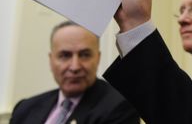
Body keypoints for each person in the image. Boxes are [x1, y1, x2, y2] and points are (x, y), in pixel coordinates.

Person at [10, 21, 140, 124]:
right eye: (65, 55)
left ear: (98, 58)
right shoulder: (25, 108)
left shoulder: (119, 108)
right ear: (51, 60)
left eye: (84, 55)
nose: (74, 67)